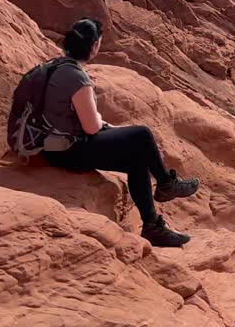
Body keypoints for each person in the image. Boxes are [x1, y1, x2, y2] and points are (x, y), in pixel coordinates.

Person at [41, 18, 201, 247]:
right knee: (142, 135)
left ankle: (152, 226)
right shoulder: (77, 78)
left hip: (51, 145)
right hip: (67, 150)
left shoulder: (54, 66)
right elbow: (91, 128)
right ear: (94, 45)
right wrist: (101, 122)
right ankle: (166, 184)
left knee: (136, 160)